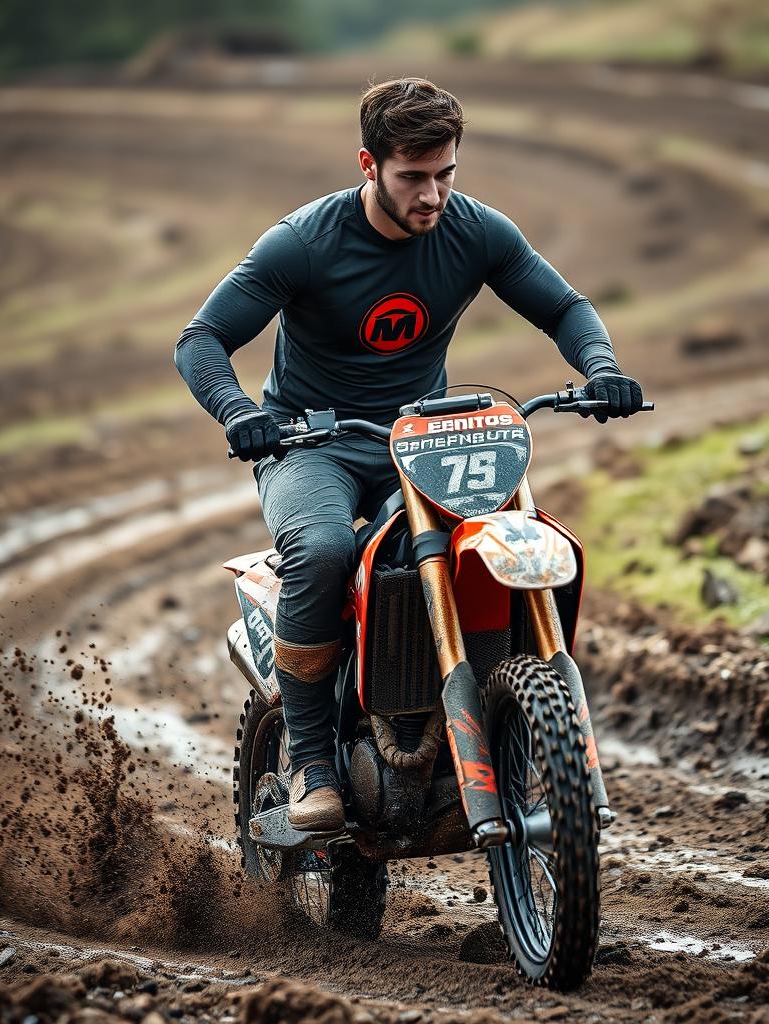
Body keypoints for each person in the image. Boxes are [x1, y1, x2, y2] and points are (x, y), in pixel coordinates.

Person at [175, 77, 642, 831]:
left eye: (446, 173)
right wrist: (239, 414)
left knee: (497, 544)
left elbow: (564, 307)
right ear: (369, 166)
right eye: (413, 178)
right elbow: (201, 339)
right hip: (311, 442)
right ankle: (313, 763)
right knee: (324, 548)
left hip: (421, 441)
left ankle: (499, 720)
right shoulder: (305, 241)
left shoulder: (475, 231)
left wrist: (603, 370)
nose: (433, 195)